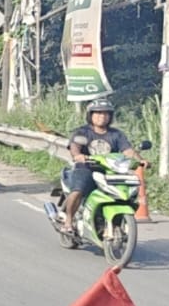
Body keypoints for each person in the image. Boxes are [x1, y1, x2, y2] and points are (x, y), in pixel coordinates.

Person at [60, 96, 141, 233]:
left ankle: (113, 221)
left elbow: (128, 151)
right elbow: (75, 147)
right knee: (78, 191)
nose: (102, 116)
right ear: (90, 115)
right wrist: (78, 156)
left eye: (106, 113)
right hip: (86, 168)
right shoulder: (82, 132)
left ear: (110, 116)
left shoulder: (116, 134)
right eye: (98, 113)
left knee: (127, 193)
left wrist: (140, 160)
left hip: (110, 171)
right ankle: (68, 221)